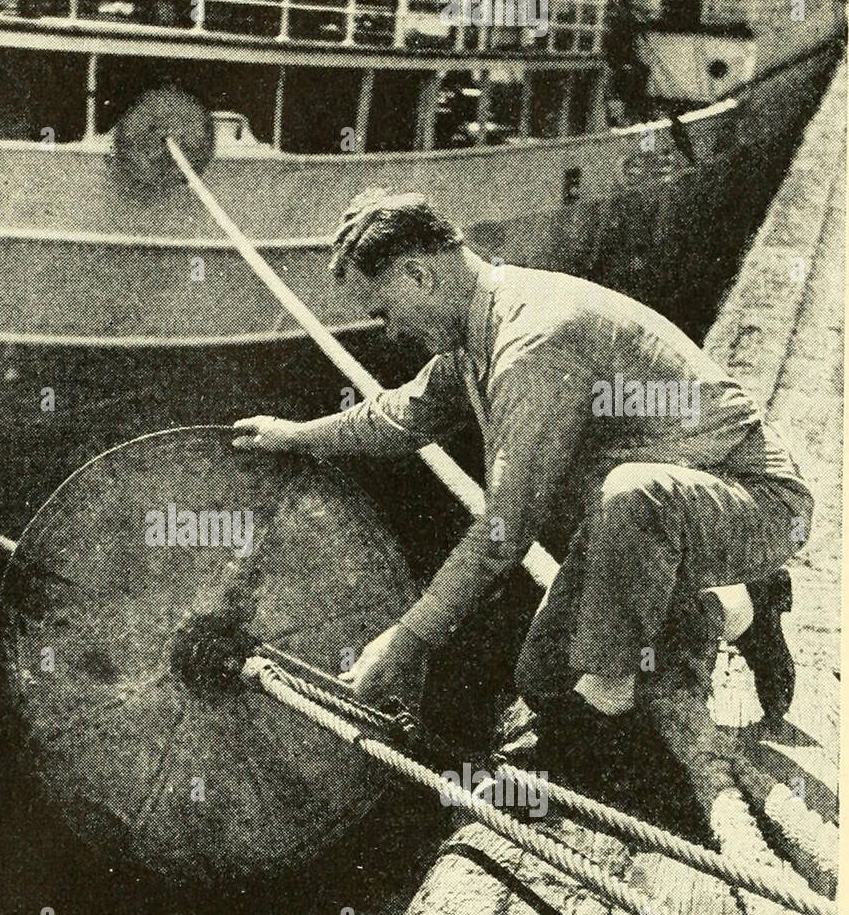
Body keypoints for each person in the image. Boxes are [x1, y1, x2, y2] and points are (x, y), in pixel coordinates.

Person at [233, 189, 811, 813]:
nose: (391, 332)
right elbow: (404, 414)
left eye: (383, 312)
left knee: (630, 505)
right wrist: (298, 437)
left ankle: (604, 727)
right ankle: (741, 605)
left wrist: (406, 640)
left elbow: (505, 530)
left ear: (418, 275)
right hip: (656, 531)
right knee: (543, 680)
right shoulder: (474, 332)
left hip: (754, 504)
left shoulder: (533, 340)